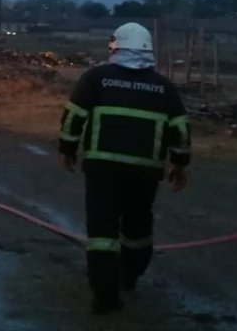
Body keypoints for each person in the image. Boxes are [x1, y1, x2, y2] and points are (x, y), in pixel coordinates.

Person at [58, 22, 191, 315]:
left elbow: (73, 118)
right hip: (144, 174)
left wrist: (67, 149)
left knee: (102, 232)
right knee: (137, 227)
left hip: (101, 170)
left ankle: (104, 298)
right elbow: (180, 132)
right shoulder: (164, 87)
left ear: (115, 47)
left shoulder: (96, 78)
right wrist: (179, 165)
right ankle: (129, 277)